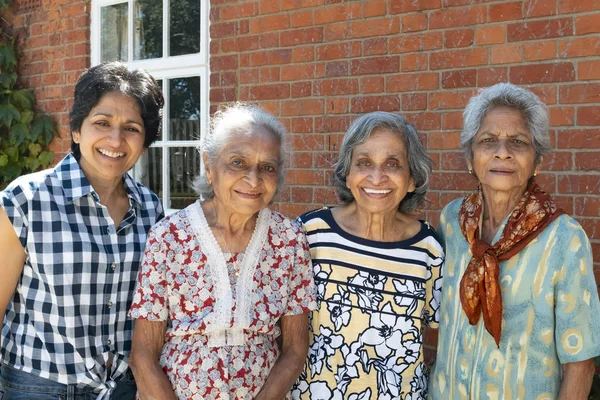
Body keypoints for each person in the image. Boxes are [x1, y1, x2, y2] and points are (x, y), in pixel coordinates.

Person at [128, 103, 317, 399]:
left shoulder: (289, 239)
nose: (253, 180)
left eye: (267, 167)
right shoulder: (168, 236)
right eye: (238, 162)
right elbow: (142, 354)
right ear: (209, 165)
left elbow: (295, 348)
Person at [0, 62, 165, 399]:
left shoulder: (152, 210)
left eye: (131, 128)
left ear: (145, 140)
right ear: (77, 130)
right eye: (101, 123)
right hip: (39, 387)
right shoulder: (25, 200)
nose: (115, 140)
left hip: (123, 389)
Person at [430, 83, 600, 399]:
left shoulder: (564, 238)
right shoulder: (452, 222)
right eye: (488, 140)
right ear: (470, 158)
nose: (502, 151)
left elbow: (581, 365)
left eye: (518, 142)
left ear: (537, 161)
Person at [293, 112, 444, 400]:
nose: (377, 176)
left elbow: (443, 334)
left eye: (393, 163)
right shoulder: (309, 234)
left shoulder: (428, 249)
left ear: (412, 179)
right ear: (347, 175)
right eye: (364, 163)